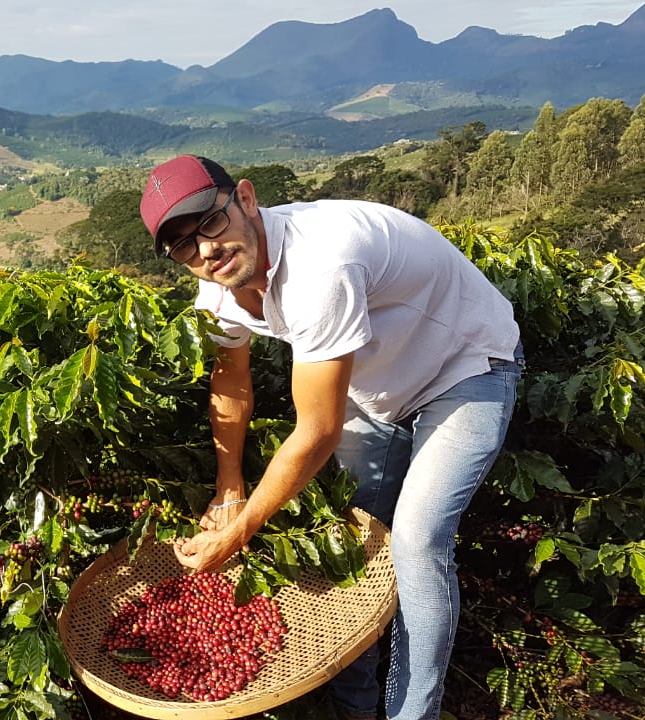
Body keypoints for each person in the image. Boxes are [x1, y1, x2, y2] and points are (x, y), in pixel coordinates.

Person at [141, 155, 522, 720]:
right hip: (373, 391)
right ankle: (355, 704)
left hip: (465, 369)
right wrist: (229, 484)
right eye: (182, 246)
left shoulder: (322, 263)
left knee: (415, 543)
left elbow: (316, 430)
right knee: (357, 547)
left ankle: (411, 713)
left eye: (211, 223)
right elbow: (231, 383)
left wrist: (241, 528)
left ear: (246, 198)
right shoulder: (218, 290)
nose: (205, 250)